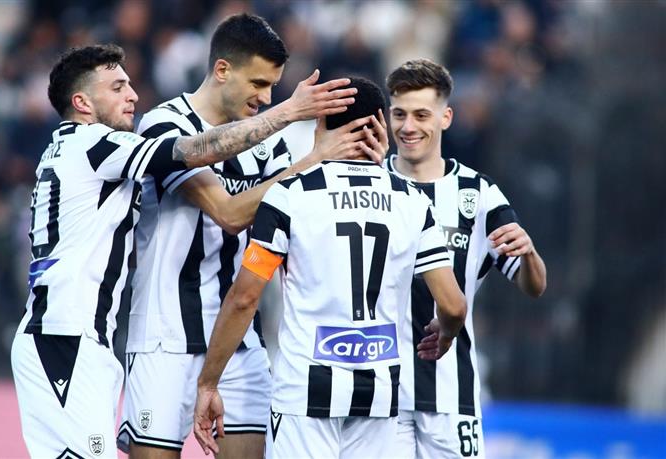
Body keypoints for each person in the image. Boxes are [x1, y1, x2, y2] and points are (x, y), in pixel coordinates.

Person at [9, 43, 363, 458]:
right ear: (82, 103)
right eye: (117, 87)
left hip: (83, 335)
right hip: (69, 335)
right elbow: (196, 156)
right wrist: (289, 114)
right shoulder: (95, 143)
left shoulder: (70, 148)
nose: (133, 95)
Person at [117, 13, 385, 459]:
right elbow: (228, 212)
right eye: (259, 83)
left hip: (239, 341)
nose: (266, 97)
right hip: (166, 338)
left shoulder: (270, 144)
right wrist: (307, 150)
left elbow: (298, 220)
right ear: (222, 69)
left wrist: (368, 167)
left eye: (274, 87)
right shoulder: (164, 126)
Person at [192, 77, 468, 459]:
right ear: (381, 127)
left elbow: (245, 298)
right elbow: (453, 305)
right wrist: (446, 332)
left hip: (306, 392)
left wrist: (209, 383)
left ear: (320, 125)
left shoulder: (290, 195)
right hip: (379, 393)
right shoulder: (413, 201)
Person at [384, 58, 547, 458]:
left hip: (450, 395)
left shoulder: (479, 194)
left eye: (421, 115)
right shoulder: (370, 184)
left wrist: (528, 253)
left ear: (446, 118)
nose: (408, 126)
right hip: (379, 395)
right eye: (399, 114)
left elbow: (534, 286)